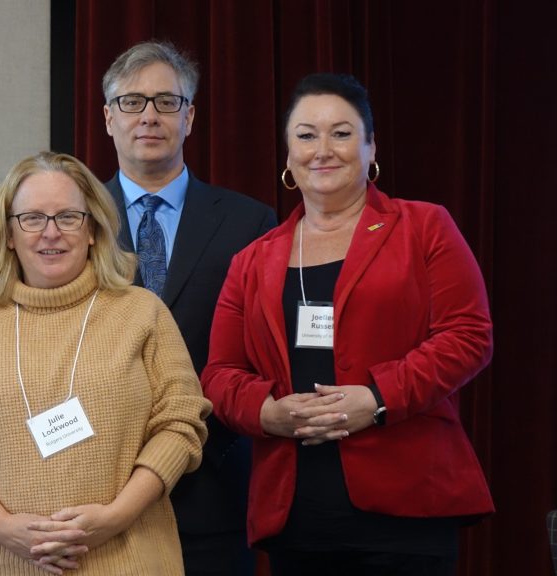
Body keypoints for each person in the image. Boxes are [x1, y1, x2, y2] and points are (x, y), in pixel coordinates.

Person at [201, 73, 494, 575]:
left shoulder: (424, 227)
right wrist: (267, 413)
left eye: (341, 133)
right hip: (296, 515)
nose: (323, 149)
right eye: (306, 134)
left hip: (408, 509)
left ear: (370, 145)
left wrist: (377, 399)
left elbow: (467, 336)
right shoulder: (251, 260)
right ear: (289, 153)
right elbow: (220, 374)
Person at [0, 151, 211, 575]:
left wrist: (116, 517)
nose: (51, 233)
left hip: (129, 559)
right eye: (32, 218)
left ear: (92, 229)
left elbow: (181, 423)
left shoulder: (144, 313)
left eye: (68, 217)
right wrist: (4, 528)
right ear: (9, 233)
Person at [101, 40, 276, 575]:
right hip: (100, 486)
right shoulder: (74, 223)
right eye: (132, 102)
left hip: (215, 485)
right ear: (109, 118)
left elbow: (265, 354)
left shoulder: (250, 223)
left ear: (191, 116)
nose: (149, 116)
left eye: (166, 101)